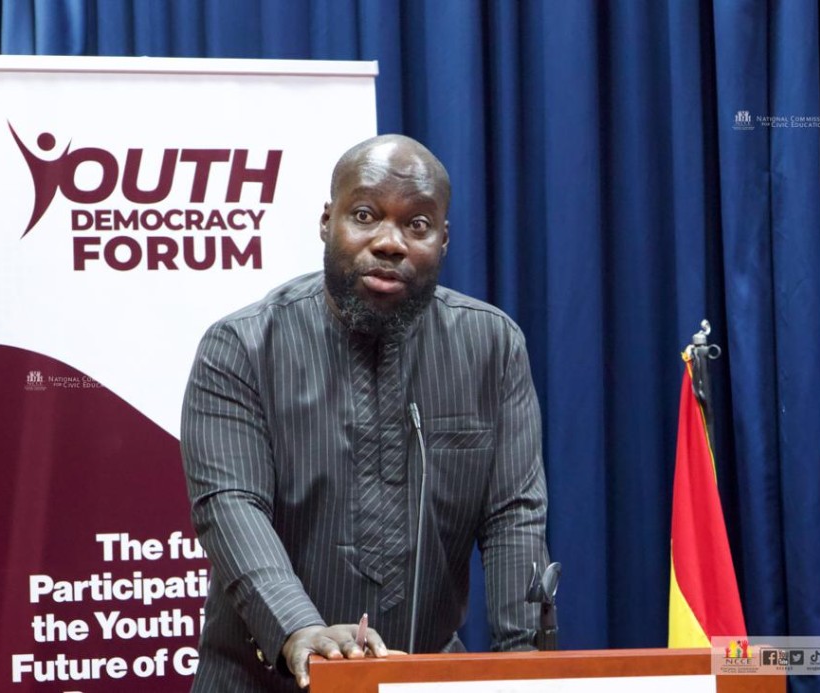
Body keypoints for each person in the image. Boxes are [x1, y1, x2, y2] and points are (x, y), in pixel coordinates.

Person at [181, 134, 550, 691]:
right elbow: (231, 506)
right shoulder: (243, 347)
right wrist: (299, 630)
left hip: (422, 680)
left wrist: (523, 670)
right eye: (364, 215)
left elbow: (513, 518)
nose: (389, 242)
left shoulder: (492, 347)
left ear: (443, 240)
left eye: (417, 224)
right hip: (261, 681)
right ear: (326, 222)